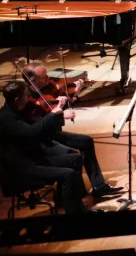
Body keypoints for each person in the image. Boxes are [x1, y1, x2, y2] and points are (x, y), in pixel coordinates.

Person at [18, 61, 122, 197]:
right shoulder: (27, 99)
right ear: (32, 80)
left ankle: (99, 186)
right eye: (44, 77)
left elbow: (59, 101)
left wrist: (73, 95)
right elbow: (42, 120)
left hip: (52, 133)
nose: (49, 79)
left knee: (86, 141)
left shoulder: (47, 87)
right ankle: (71, 196)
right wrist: (61, 113)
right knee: (72, 155)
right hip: (41, 139)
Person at [0, 82, 97, 216]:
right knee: (68, 174)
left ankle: (70, 204)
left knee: (75, 158)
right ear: (17, 100)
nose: (29, 97)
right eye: (26, 95)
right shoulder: (6, 119)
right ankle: (75, 215)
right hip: (21, 168)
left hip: (32, 157)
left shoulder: (16, 110)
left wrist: (58, 110)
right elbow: (32, 132)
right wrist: (53, 114)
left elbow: (39, 125)